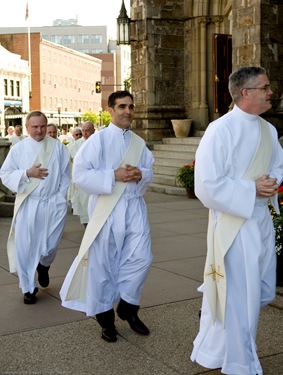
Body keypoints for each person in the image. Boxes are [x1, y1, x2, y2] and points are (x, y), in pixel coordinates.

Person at [190, 66, 283, 375]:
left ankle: (217, 349)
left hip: (260, 222)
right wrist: (250, 189)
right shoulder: (220, 130)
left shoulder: (267, 130)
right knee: (241, 296)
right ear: (246, 93)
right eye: (265, 87)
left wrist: (270, 182)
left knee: (259, 291)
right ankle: (242, 364)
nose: (271, 92)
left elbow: (277, 165)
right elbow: (205, 185)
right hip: (232, 226)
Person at [60, 91, 154, 343]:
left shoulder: (139, 142)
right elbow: (80, 175)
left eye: (131, 107)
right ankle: (106, 320)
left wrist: (140, 175)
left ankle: (127, 306)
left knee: (141, 258)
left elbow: (149, 170)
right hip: (106, 208)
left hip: (134, 206)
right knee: (103, 265)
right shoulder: (97, 141)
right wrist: (112, 176)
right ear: (110, 110)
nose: (128, 111)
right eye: (122, 106)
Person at [0, 110, 70, 304]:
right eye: (34, 127)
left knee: (51, 245)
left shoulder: (58, 148)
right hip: (29, 204)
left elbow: (65, 176)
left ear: (46, 125)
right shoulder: (18, 149)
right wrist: (26, 173)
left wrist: (60, 198)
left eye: (42, 126)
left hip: (53, 203)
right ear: (28, 126)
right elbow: (5, 174)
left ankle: (44, 266)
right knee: (25, 247)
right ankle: (28, 288)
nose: (39, 131)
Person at [67, 122, 94, 227]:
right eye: (83, 131)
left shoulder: (98, 141)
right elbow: (74, 158)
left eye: (87, 130)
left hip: (96, 179)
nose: (84, 133)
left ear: (93, 131)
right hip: (84, 179)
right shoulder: (77, 144)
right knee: (84, 205)